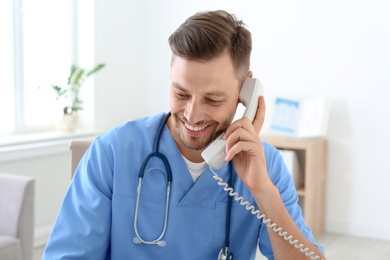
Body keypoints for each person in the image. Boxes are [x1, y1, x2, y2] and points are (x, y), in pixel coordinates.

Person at [43, 10, 325, 260]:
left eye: (213, 100)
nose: (192, 114)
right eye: (181, 93)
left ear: (245, 94)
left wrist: (263, 191)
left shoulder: (265, 167)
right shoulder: (112, 152)